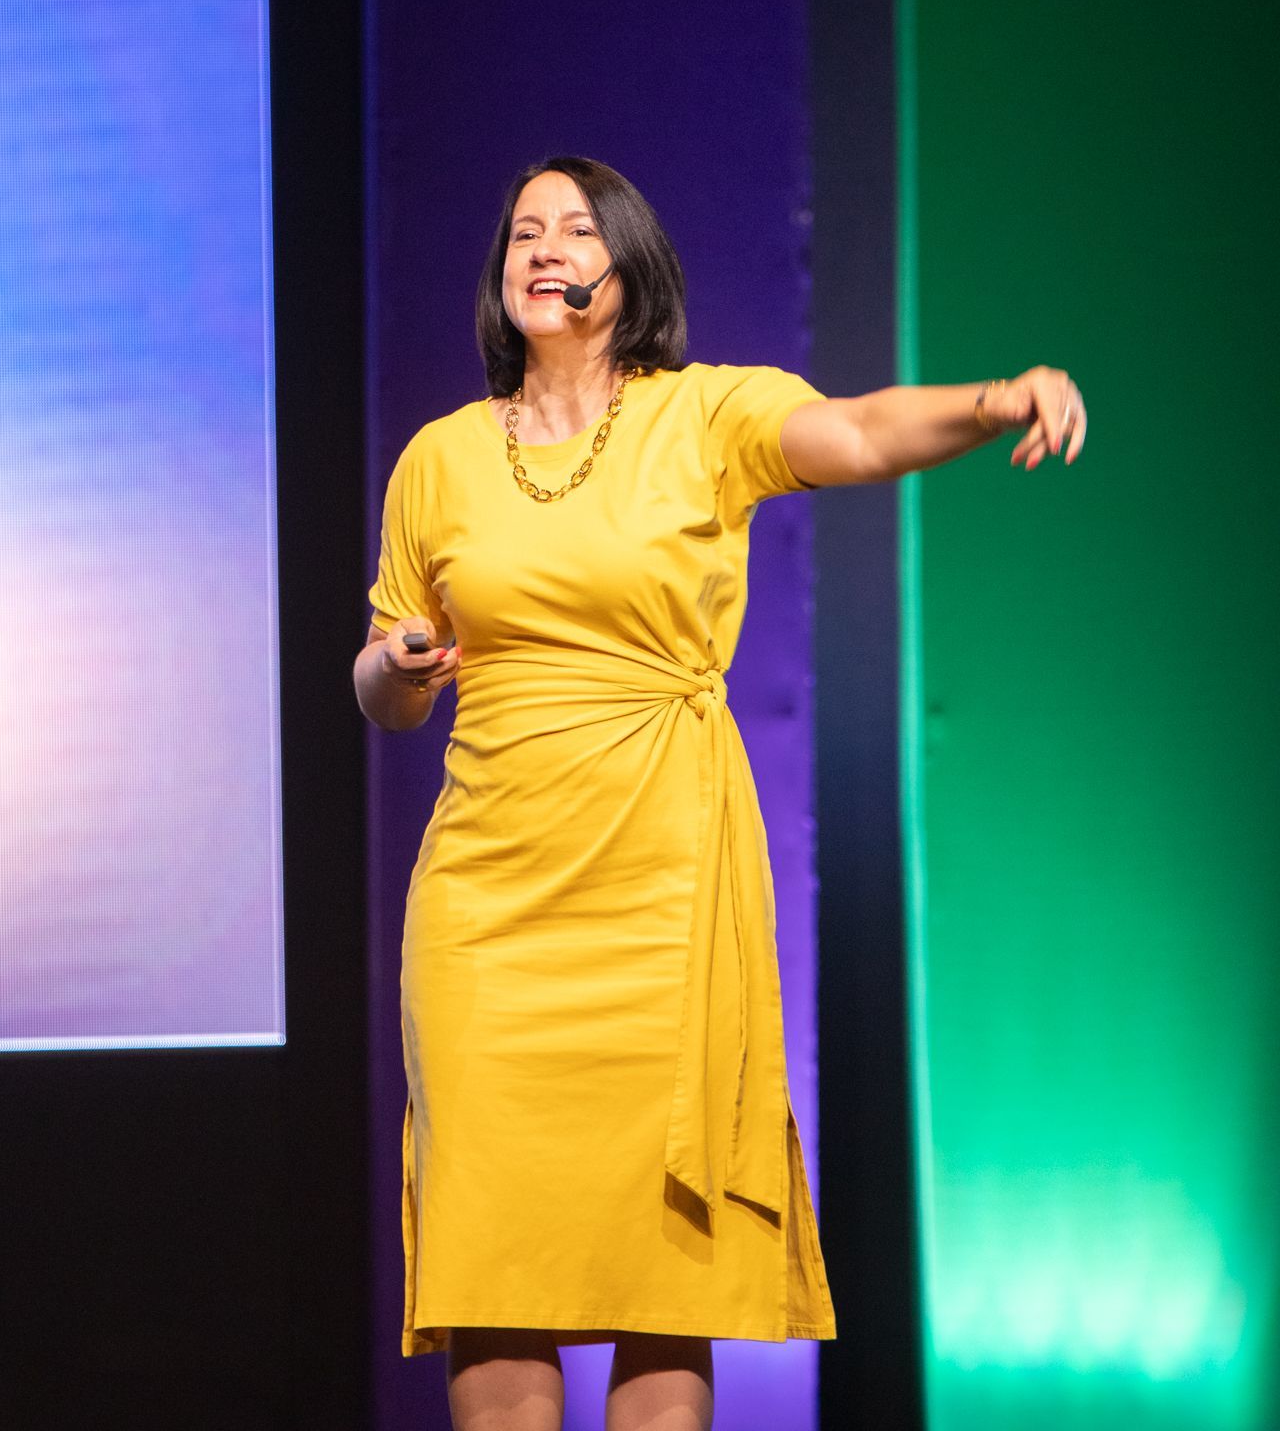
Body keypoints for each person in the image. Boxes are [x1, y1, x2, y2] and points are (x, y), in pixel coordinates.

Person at [354, 156, 1087, 1431]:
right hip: (487, 907)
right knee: (496, 1265)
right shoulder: (439, 460)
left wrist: (990, 400)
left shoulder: (701, 416)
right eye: (521, 230)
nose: (540, 246)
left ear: (625, 266)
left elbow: (856, 432)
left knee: (659, 1273)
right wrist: (394, 665)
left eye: (573, 227)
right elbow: (386, 685)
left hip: (658, 897)